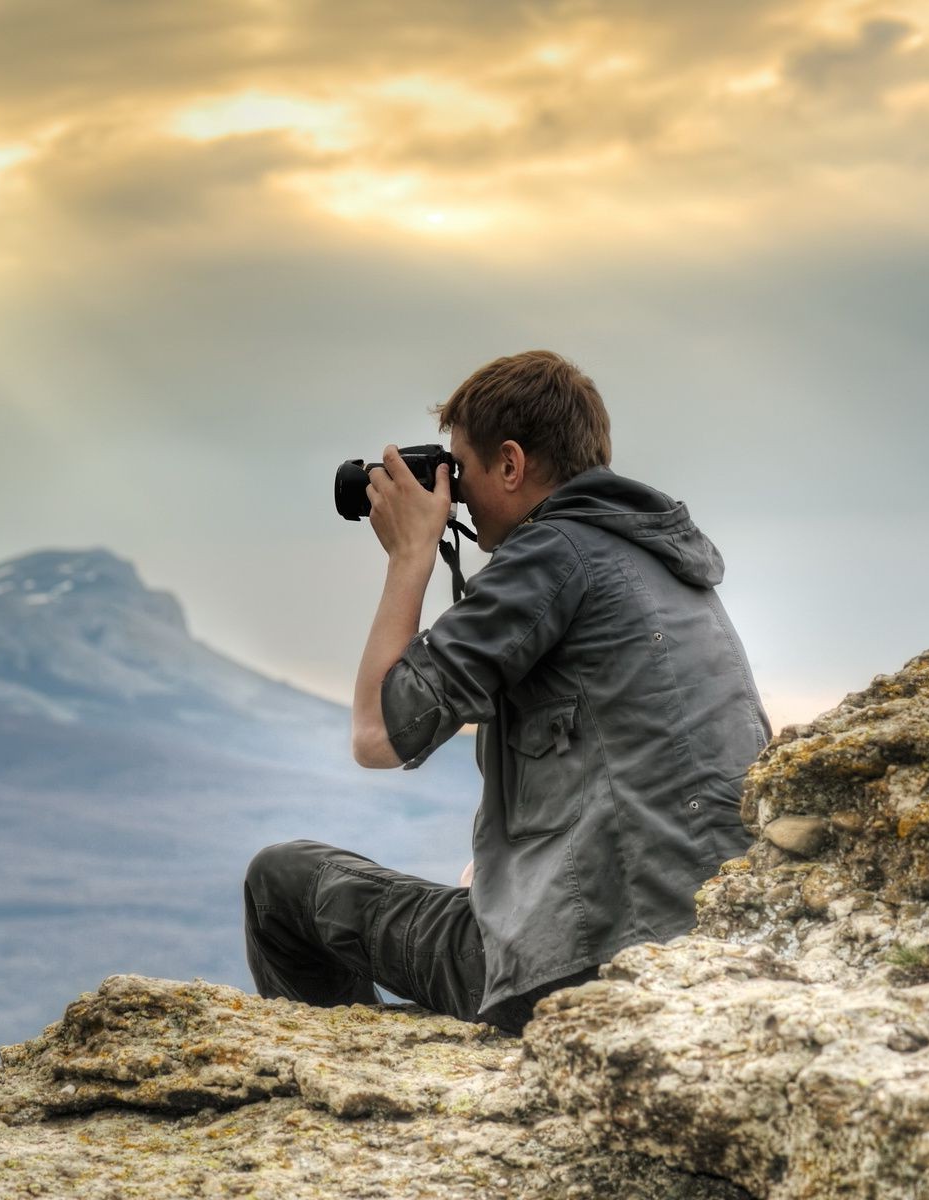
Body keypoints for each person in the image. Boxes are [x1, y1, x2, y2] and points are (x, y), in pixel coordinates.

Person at [243, 349, 770, 1035]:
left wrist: (411, 556)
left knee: (281, 882)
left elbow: (375, 733)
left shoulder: (553, 556)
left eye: (460, 468)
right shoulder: (664, 563)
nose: (452, 490)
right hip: (700, 950)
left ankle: (348, 1088)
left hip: (584, 967)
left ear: (512, 465)